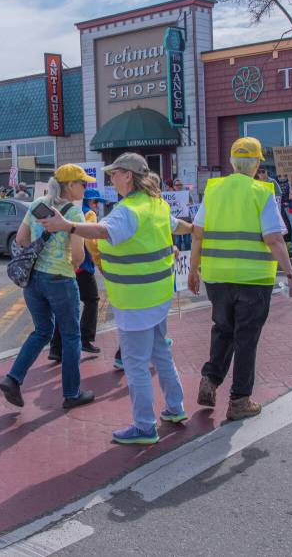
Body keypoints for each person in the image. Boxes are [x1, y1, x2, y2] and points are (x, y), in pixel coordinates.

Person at [39, 153, 193, 445]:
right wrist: (198, 229)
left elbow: (102, 231)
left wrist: (68, 226)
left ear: (129, 176)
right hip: (159, 296)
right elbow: (178, 226)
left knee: (135, 365)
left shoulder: (128, 210)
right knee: (161, 353)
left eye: (115, 173)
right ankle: (175, 408)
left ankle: (145, 427)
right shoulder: (157, 204)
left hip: (135, 301)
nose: (111, 179)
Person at [188, 137, 292, 421]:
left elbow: (197, 233)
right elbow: (273, 238)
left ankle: (210, 379)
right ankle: (239, 400)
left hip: (217, 277)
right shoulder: (261, 193)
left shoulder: (213, 190)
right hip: (253, 279)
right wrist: (290, 276)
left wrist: (193, 269)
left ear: (232, 162)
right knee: (246, 338)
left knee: (223, 329)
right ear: (257, 163)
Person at [0, 164, 95, 410]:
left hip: (32, 279)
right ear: (70, 186)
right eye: (82, 183)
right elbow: (77, 257)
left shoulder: (36, 204)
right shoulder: (74, 214)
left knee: (42, 331)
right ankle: (71, 394)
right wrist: (67, 262)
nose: (85, 187)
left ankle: (13, 378)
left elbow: (20, 239)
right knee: (72, 335)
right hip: (59, 278)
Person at [48, 188, 106, 360]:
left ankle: (55, 348)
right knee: (92, 300)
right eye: (96, 203)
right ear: (90, 202)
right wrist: (99, 262)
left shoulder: (68, 211)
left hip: (65, 265)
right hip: (82, 266)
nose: (97, 207)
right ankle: (86, 339)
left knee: (64, 307)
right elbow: (90, 242)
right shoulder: (89, 215)